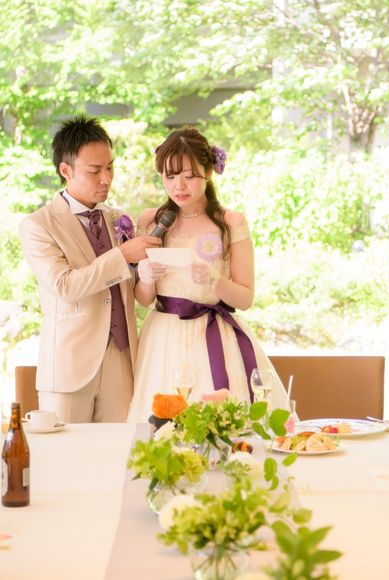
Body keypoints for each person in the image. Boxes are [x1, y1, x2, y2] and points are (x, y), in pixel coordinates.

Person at [127, 127, 288, 421]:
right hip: (163, 337)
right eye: (170, 176)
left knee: (220, 424)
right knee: (161, 426)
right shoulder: (151, 220)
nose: (179, 186)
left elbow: (245, 298)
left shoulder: (230, 222)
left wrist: (215, 280)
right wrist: (146, 276)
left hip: (215, 334)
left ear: (209, 173)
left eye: (189, 176)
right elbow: (143, 299)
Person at [19, 115, 161, 423]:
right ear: (66, 170)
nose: (106, 178)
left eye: (110, 167)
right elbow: (65, 286)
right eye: (95, 170)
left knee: (120, 451)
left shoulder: (119, 219)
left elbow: (136, 289)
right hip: (69, 365)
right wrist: (122, 256)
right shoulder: (38, 225)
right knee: (64, 452)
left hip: (122, 360)